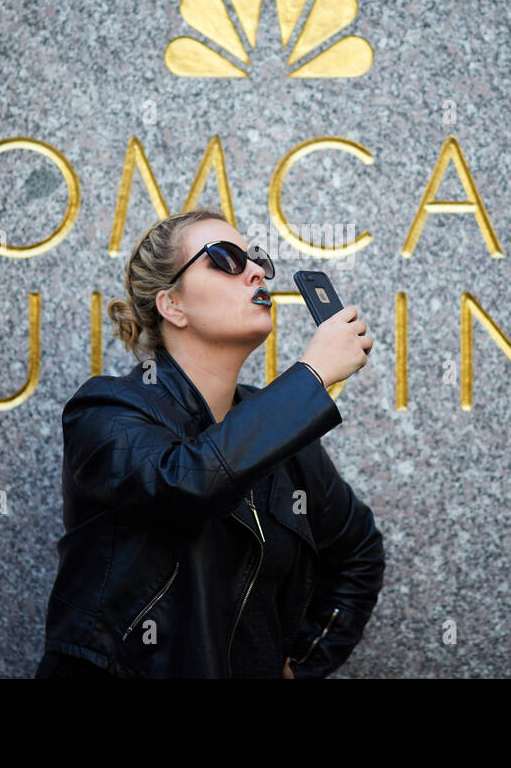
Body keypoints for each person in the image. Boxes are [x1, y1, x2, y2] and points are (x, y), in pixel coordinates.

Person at [35, 208, 384, 678]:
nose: (258, 270)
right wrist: (312, 376)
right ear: (172, 305)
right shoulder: (105, 411)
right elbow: (186, 482)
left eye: (257, 258)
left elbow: (357, 550)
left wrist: (300, 663)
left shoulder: (286, 437)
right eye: (227, 259)